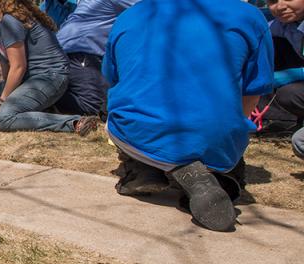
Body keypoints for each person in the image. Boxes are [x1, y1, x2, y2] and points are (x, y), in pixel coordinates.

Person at [104, 0, 272, 232]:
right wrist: (230, 134)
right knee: (214, 136)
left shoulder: (130, 15)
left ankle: (145, 167)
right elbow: (252, 93)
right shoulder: (250, 16)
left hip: (139, 128)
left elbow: (116, 78)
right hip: (216, 131)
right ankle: (214, 173)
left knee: (121, 117)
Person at [0, 0, 101, 135]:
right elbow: (7, 73)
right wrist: (3, 97)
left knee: (3, 118)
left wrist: (1, 103)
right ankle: (35, 110)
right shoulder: (1, 26)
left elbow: (19, 67)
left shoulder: (10, 22)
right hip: (28, 80)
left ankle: (75, 122)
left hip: (50, 78)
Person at [51, 0, 141, 117]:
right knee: (93, 105)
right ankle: (48, 101)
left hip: (74, 48)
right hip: (80, 49)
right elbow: (151, 9)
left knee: (104, 99)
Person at [266, 0, 304, 160]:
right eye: (273, 1)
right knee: (289, 94)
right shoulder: (284, 25)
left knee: (300, 141)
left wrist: (286, 76)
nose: (280, 6)